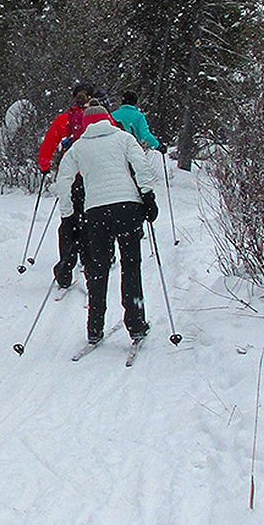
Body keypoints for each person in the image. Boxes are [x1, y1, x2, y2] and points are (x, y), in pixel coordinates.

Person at [53, 104, 158, 346]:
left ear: (88, 124)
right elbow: (141, 166)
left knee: (97, 269)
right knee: (131, 266)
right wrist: (148, 196)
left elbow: (63, 180)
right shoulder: (124, 138)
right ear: (108, 120)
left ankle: (94, 328)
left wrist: (68, 215)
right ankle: (136, 324)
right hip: (128, 209)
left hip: (96, 213)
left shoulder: (78, 147)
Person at [36, 83, 109, 290]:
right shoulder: (101, 119)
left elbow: (47, 146)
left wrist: (44, 166)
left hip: (70, 179)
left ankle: (66, 268)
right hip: (93, 178)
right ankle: (91, 263)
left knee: (69, 221)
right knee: (91, 221)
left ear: (73, 98)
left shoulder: (63, 119)